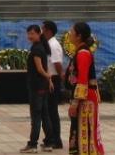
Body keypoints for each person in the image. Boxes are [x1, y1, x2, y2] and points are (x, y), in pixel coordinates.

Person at [65, 22, 105, 155]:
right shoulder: (80, 52)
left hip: (85, 100)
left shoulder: (83, 53)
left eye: (72, 31)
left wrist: (75, 103)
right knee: (79, 132)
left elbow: (82, 80)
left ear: (79, 36)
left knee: (85, 135)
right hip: (82, 99)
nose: (69, 33)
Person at [19, 25, 54, 153]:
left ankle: (33, 144)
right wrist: (48, 80)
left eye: (32, 33)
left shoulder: (36, 49)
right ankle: (49, 142)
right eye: (28, 34)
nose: (30, 36)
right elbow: (45, 67)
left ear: (39, 34)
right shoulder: (41, 47)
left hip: (36, 87)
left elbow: (40, 69)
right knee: (45, 115)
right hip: (42, 86)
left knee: (36, 117)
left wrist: (48, 77)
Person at [41, 20, 65, 150]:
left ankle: (56, 140)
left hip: (53, 79)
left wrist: (61, 76)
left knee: (52, 111)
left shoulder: (53, 45)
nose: (41, 32)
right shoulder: (48, 43)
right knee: (48, 111)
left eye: (42, 29)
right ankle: (50, 138)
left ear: (48, 31)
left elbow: (57, 63)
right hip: (49, 78)